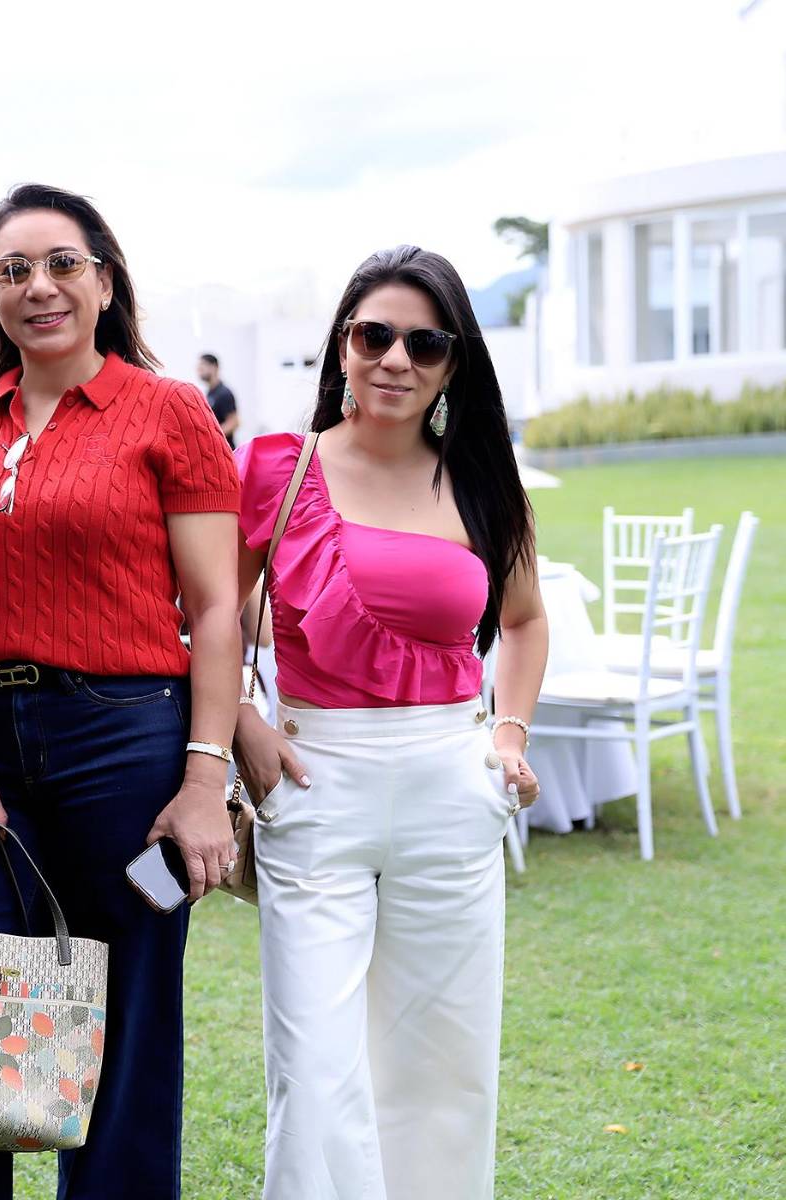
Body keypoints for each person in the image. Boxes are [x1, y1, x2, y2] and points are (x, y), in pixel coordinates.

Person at [0, 183, 242, 1200]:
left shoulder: (168, 411)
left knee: (128, 1021)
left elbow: (217, 606)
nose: (39, 287)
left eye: (61, 264)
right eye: (13, 271)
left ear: (103, 282)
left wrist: (203, 779)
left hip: (127, 742)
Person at [232, 245, 548, 1200]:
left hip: (450, 785)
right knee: (313, 1070)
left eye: (425, 343)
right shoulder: (275, 470)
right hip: (314, 782)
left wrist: (506, 736)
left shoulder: (482, 484)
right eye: (373, 336)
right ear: (341, 346)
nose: (395, 360)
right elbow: (201, 617)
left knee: (442, 1067)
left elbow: (524, 623)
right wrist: (244, 721)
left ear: (453, 364)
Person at [198, 353, 239, 446]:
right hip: (215, 448)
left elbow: (234, 422)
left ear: (214, 367)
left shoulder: (224, 393)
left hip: (226, 448)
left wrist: (212, 437)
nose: (199, 370)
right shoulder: (210, 393)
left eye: (202, 366)